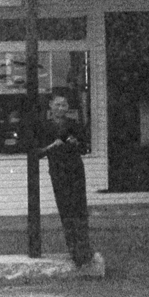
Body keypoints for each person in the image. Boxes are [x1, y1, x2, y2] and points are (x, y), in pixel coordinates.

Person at [38, 94, 94, 267]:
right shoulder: (45, 126)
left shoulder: (74, 125)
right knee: (66, 210)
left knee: (80, 209)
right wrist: (52, 146)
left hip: (75, 170)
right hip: (58, 171)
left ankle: (84, 250)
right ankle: (74, 250)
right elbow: (38, 152)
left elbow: (84, 148)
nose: (61, 108)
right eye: (57, 104)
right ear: (51, 105)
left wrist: (75, 142)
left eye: (64, 105)